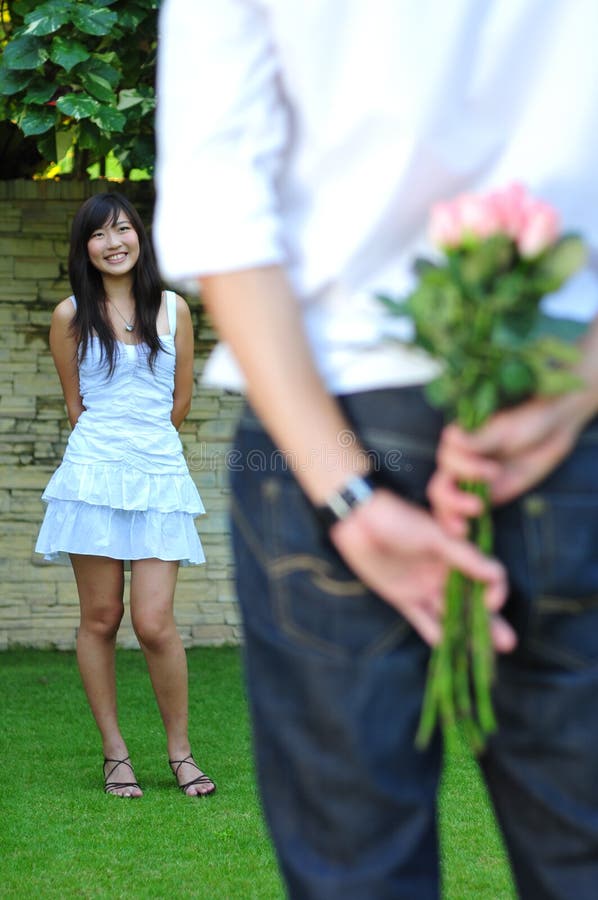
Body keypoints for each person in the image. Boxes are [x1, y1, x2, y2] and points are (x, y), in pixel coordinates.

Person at [155, 1, 598, 895]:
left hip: (324, 418)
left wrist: (345, 495)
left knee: (355, 877)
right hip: (569, 415)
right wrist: (582, 383)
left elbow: (218, 199)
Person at [36, 192, 216, 800]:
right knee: (101, 617)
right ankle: (116, 754)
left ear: (139, 235)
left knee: (155, 621)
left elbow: (180, 401)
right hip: (93, 475)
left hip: (159, 475)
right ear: (83, 249)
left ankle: (181, 753)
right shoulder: (69, 316)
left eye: (123, 229)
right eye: (99, 234)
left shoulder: (173, 308)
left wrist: (146, 451)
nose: (114, 242)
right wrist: (110, 453)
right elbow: (74, 405)